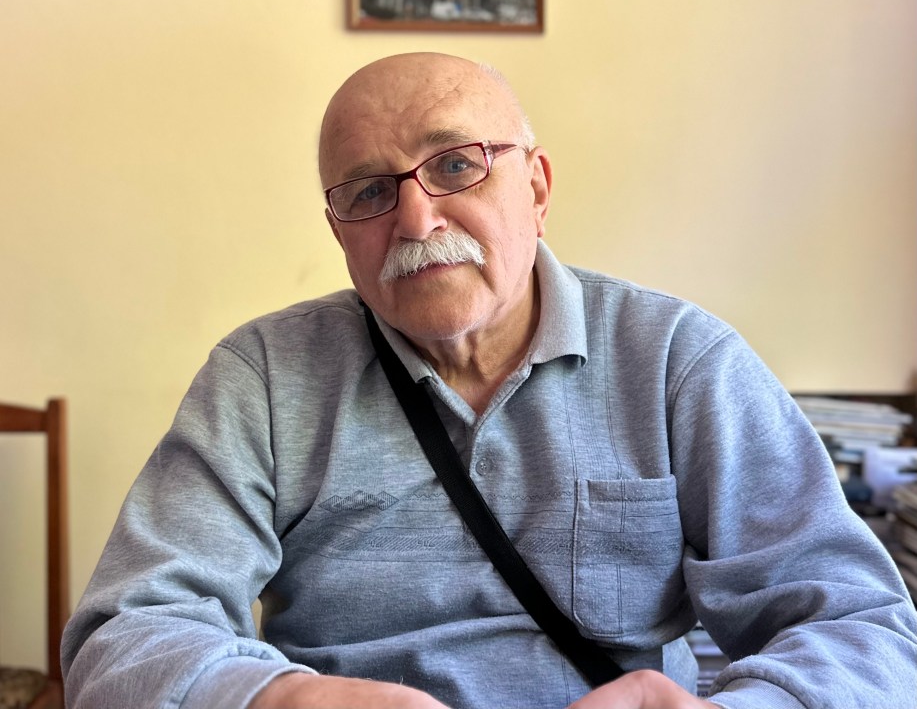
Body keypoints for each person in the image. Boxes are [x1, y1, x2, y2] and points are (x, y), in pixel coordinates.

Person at [61, 52, 917, 709]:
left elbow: (862, 626)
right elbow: (124, 634)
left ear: (535, 187)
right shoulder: (264, 377)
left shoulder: (675, 361)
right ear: (338, 230)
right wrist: (281, 698)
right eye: (368, 191)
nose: (415, 218)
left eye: (454, 165)